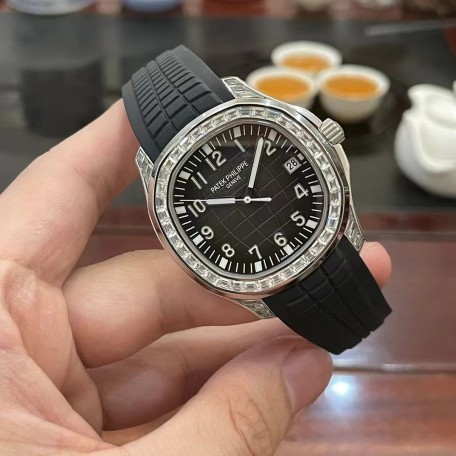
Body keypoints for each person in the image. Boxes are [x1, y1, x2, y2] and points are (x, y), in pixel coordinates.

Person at [0, 101, 391, 455]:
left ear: (322, 137)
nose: (246, 201)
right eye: (240, 200)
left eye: (247, 197)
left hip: (322, 246)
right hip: (278, 277)